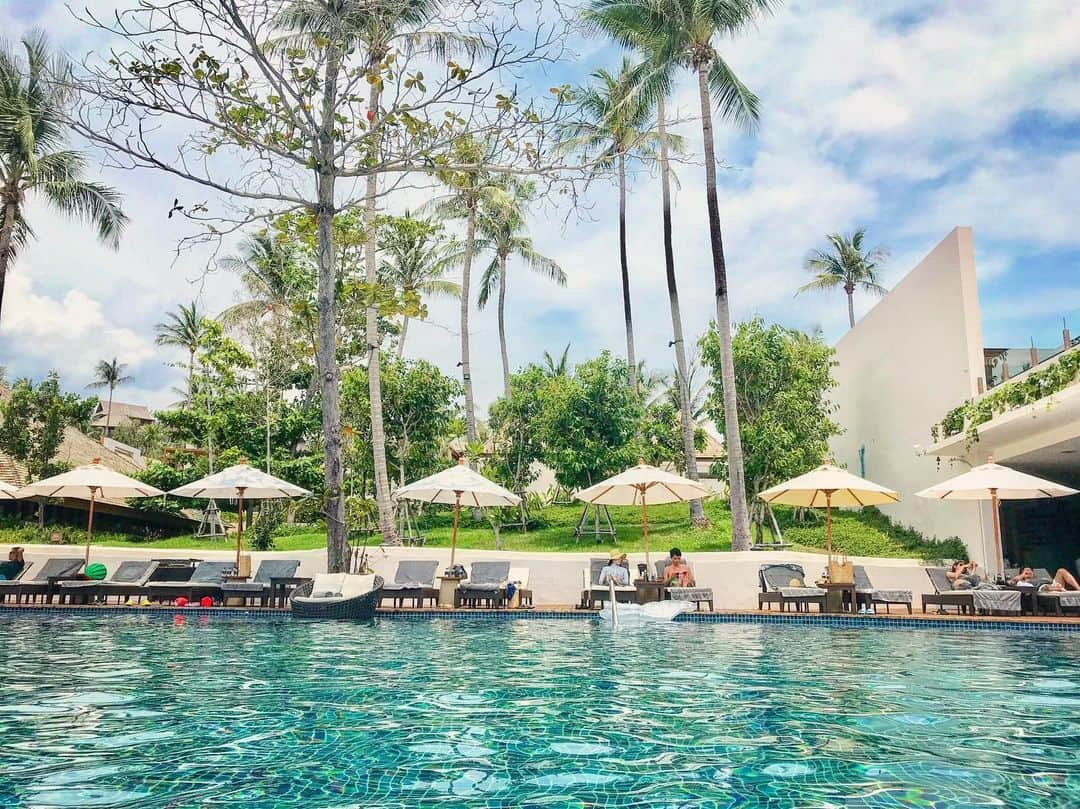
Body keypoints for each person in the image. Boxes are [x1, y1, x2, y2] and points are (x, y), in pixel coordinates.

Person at [1012, 566, 1080, 592]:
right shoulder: (1022, 582)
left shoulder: (1038, 577)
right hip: (1042, 589)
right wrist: (1023, 575)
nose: (1029, 572)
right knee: (1045, 587)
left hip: (1052, 584)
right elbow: (1013, 581)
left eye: (1030, 570)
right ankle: (1058, 588)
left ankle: (1079, 589)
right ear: (1021, 573)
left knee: (1061, 571)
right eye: (1027, 571)